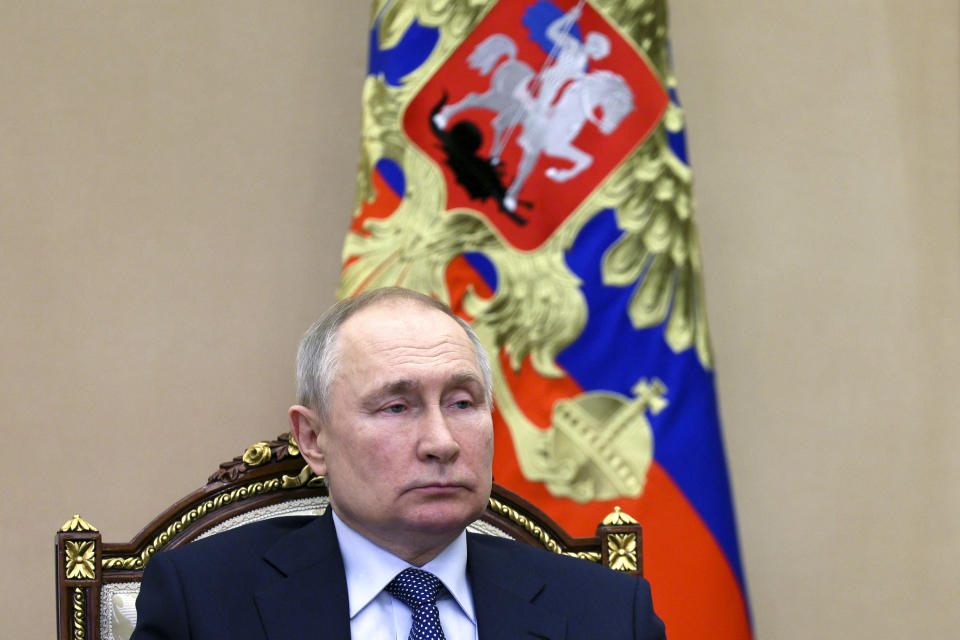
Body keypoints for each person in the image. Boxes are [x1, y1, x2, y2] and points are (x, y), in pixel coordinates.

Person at [131, 287, 666, 639]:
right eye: (396, 406)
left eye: (462, 403)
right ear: (313, 438)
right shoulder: (202, 603)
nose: (441, 441)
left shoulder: (609, 614)